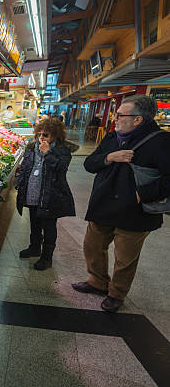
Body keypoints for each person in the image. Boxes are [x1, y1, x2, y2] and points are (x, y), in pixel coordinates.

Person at [72, 95, 170, 313]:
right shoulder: (111, 138)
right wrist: (109, 157)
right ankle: (97, 281)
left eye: (120, 115)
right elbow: (90, 164)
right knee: (93, 246)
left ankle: (116, 293)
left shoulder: (161, 141)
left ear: (138, 120)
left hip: (135, 211)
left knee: (125, 258)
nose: (114, 118)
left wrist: (142, 193)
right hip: (104, 204)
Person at [16, 118, 76, 270]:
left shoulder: (62, 151)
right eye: (39, 134)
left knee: (49, 227)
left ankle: (46, 257)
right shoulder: (31, 147)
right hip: (32, 193)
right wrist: (20, 183)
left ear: (55, 136)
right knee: (35, 223)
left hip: (50, 195)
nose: (41, 137)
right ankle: (34, 247)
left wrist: (47, 153)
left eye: (46, 135)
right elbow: (25, 167)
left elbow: (60, 168)